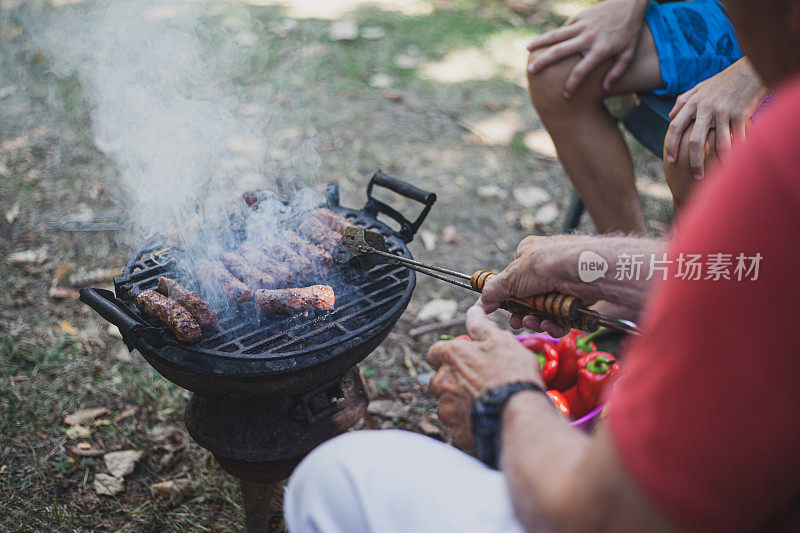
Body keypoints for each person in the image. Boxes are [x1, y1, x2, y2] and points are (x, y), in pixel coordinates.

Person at [283, 1, 800, 531]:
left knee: (336, 477)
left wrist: (506, 401)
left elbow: (608, 513)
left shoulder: (773, 168)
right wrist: (602, 263)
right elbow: (754, 273)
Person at [527, 0, 767, 233]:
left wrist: (756, 70)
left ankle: (686, 270)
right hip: (737, 14)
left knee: (702, 143)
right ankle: (627, 258)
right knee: (555, 71)